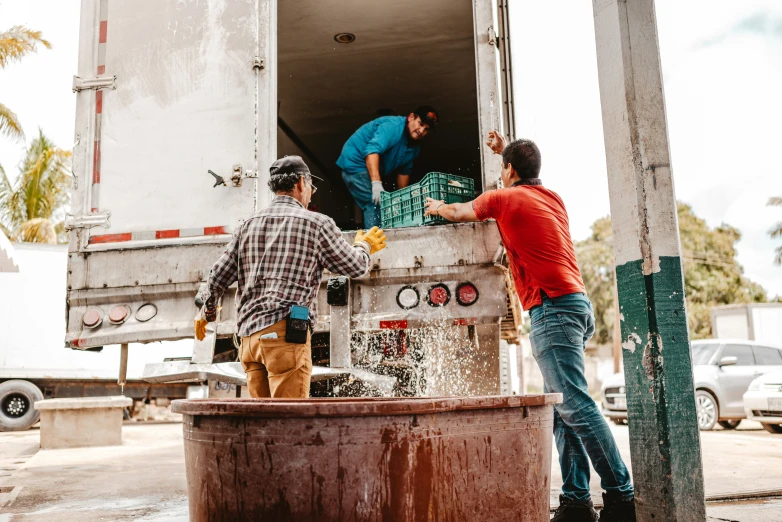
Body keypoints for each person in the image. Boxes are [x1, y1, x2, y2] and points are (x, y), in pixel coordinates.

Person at [423, 132, 635, 522]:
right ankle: (575, 502)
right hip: (576, 304)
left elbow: (459, 212)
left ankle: (622, 497)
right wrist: (504, 151)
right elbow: (519, 175)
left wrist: (435, 205)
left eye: (503, 168)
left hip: (552, 308)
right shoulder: (552, 198)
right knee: (561, 410)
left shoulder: (503, 199)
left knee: (574, 405)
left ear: (508, 171)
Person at [195, 155, 387, 399]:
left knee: (263, 424)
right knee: (288, 422)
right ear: (300, 183)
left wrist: (208, 312)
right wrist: (364, 246)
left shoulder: (247, 226)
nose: (310, 194)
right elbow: (356, 267)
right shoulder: (317, 224)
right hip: (283, 340)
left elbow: (218, 276)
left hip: (249, 343)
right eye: (310, 187)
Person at [337, 106, 439, 227]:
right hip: (355, 165)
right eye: (420, 124)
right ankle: (374, 243)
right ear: (411, 117)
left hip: (370, 169)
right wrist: (376, 183)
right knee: (375, 204)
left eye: (426, 129)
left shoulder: (414, 147)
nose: (421, 131)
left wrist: (404, 200)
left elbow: (404, 173)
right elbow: (372, 152)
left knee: (384, 204)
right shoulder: (392, 126)